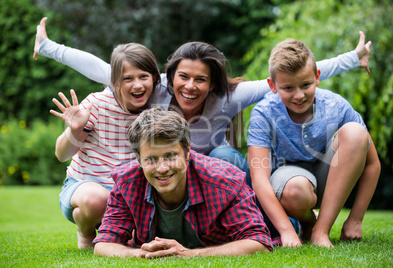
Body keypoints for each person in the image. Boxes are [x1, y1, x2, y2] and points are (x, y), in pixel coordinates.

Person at [33, 17, 372, 181]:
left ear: (213, 83)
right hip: (168, 168)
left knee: (225, 151)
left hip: (212, 172)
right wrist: (49, 47)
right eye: (184, 77)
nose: (190, 86)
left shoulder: (230, 96)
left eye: (201, 80)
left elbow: (292, 78)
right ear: (171, 76)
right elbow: (103, 69)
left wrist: (351, 59)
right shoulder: (156, 86)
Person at [247, 39, 381, 248]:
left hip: (328, 176)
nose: (299, 95)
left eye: (306, 85)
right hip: (289, 181)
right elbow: (259, 179)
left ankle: (321, 230)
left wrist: (356, 218)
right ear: (272, 86)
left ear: (317, 78)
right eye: (288, 88)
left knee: (356, 132)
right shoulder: (263, 112)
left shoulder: (336, 105)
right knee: (295, 192)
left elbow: (372, 164)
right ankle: (308, 223)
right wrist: (286, 231)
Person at [93, 107, 273, 258]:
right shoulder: (127, 182)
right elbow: (103, 244)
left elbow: (259, 242)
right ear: (139, 160)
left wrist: (189, 254)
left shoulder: (224, 181)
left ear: (187, 151)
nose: (162, 168)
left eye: (170, 156)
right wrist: (139, 254)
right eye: (151, 159)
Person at [50, 42, 160, 249]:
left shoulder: (157, 108)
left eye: (143, 77)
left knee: (138, 242)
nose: (137, 85)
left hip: (129, 195)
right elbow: (61, 154)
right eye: (128, 79)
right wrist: (74, 130)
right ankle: (85, 231)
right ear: (115, 82)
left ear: (154, 77)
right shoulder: (97, 104)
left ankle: (119, 228)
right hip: (86, 189)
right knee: (97, 199)